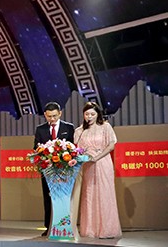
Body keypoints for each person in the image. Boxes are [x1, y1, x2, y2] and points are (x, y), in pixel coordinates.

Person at [74, 102, 121, 239]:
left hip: (103, 162)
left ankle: (107, 229)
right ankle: (90, 229)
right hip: (88, 164)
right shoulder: (79, 130)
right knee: (89, 194)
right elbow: (77, 149)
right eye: (87, 114)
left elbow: (111, 146)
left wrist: (97, 157)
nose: (89, 117)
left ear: (98, 114)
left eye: (92, 114)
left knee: (104, 193)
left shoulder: (105, 127)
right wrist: (85, 156)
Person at [33, 101, 75, 236]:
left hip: (64, 170)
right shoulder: (40, 129)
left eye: (55, 116)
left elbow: (73, 148)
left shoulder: (69, 128)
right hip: (47, 171)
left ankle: (64, 226)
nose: (52, 119)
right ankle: (49, 226)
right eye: (49, 116)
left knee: (63, 198)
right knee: (48, 198)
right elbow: (36, 149)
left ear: (60, 113)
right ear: (45, 115)